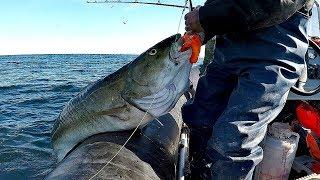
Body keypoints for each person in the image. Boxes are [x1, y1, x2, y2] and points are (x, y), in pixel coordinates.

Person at [182, 0, 314, 179]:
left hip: (272, 59)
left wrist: (205, 16)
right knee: (199, 117)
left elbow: (276, 4)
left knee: (232, 139)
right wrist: (202, 29)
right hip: (226, 55)